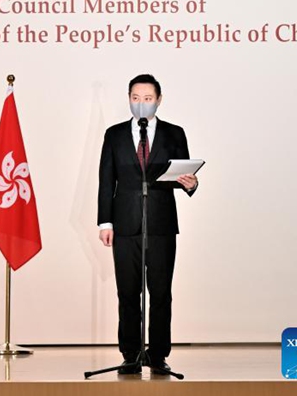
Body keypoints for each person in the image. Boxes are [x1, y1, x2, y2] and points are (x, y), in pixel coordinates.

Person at [97, 74, 198, 374]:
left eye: (148, 99)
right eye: (136, 98)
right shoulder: (114, 135)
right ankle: (130, 353)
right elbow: (106, 181)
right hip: (125, 223)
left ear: (159, 100)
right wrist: (105, 222)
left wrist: (191, 184)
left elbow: (184, 175)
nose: (141, 104)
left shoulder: (174, 133)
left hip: (161, 223)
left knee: (161, 292)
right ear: (129, 98)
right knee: (127, 292)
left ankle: (158, 356)